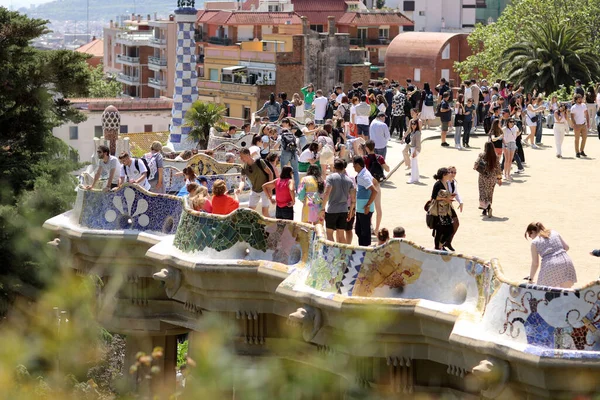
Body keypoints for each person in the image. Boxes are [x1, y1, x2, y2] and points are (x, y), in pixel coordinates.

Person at [525, 222, 577, 288]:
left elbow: (535, 263)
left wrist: (530, 279)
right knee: (566, 293)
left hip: (550, 265)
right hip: (566, 261)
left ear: (532, 231)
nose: (530, 237)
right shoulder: (554, 232)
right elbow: (566, 247)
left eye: (529, 235)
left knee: (542, 291)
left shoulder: (534, 242)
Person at [320, 158, 356, 243]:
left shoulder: (330, 178)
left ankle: (331, 254)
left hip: (332, 209)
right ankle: (343, 254)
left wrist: (322, 208)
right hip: (343, 210)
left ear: (334, 167)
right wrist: (350, 211)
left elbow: (327, 193)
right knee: (341, 235)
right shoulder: (349, 180)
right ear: (343, 168)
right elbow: (353, 199)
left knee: (329, 234)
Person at [237, 148, 273, 217]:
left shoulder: (260, 162)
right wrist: (240, 189)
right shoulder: (243, 167)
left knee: (265, 212)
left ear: (248, 155)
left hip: (264, 190)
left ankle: (271, 226)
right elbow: (242, 180)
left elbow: (270, 173)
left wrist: (269, 188)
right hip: (254, 190)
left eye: (242, 157)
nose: (241, 159)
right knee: (250, 212)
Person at [363, 140, 389, 233]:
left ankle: (369, 226)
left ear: (366, 148)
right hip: (377, 184)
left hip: (368, 185)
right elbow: (387, 169)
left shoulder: (365, 158)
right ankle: (377, 229)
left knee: (368, 207)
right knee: (378, 208)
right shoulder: (379, 157)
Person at [353, 156, 377, 247]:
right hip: (361, 209)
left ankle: (366, 251)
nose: (354, 167)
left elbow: (375, 191)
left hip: (365, 209)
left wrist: (368, 205)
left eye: (354, 165)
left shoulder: (364, 176)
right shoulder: (363, 174)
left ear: (358, 165)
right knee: (359, 230)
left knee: (365, 232)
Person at [430, 168, 455, 251]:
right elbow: (434, 197)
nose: (450, 174)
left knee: (450, 228)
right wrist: (445, 199)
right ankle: (438, 247)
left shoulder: (447, 183)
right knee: (439, 230)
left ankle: (440, 245)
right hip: (439, 211)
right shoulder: (438, 184)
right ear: (444, 175)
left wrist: (450, 197)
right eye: (448, 173)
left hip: (445, 209)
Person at [474, 142, 502, 217]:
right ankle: (489, 206)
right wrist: (499, 179)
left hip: (483, 176)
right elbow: (498, 169)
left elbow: (476, 164)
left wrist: (476, 167)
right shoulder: (495, 156)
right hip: (492, 177)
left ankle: (484, 209)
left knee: (483, 191)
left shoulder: (482, 155)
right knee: (490, 192)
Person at [446, 166, 462, 251]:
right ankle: (443, 242)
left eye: (455, 172)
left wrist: (461, 202)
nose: (453, 174)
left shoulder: (454, 182)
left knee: (456, 223)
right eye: (451, 172)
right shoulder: (445, 182)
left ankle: (448, 241)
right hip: (444, 205)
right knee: (447, 224)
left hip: (450, 205)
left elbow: (456, 193)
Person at [570, 93, 590, 158]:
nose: (580, 99)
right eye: (579, 99)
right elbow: (572, 117)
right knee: (577, 139)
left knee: (584, 138)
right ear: (576, 100)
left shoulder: (584, 105)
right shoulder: (573, 107)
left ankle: (582, 150)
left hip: (583, 124)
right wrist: (575, 125)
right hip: (577, 125)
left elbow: (587, 114)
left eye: (581, 98)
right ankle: (577, 152)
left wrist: (588, 122)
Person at [406, 119, 422, 184]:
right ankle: (416, 178)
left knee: (413, 164)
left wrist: (415, 152)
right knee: (414, 164)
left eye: (414, 124)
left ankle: (413, 179)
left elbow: (418, 143)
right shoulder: (413, 132)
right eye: (412, 124)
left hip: (415, 149)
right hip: (412, 148)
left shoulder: (417, 132)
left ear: (417, 125)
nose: (413, 125)